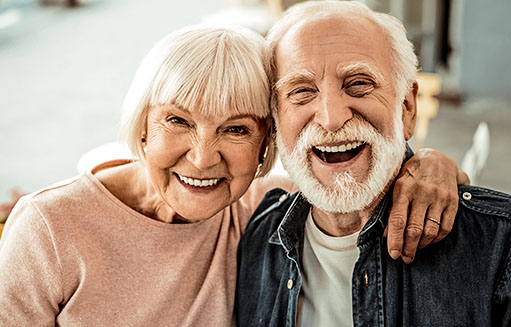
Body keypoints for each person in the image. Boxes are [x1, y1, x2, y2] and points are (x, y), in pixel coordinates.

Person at [0, 24, 464, 326]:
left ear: (267, 144)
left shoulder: (261, 210)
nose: (203, 158)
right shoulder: (50, 227)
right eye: (177, 121)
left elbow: (367, 179)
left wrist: (429, 164)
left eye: (236, 129)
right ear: (142, 125)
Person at [235, 1, 511, 326]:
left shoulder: (498, 248)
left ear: (407, 108)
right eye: (302, 91)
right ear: (277, 120)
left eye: (358, 84)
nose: (331, 118)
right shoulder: (252, 238)